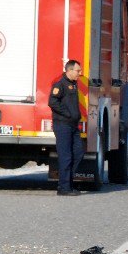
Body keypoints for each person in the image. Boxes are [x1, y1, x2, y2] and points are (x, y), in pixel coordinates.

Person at [49, 60, 84, 196]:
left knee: (79, 152)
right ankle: (63, 188)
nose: (80, 73)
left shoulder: (73, 84)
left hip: (73, 125)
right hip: (63, 125)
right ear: (69, 71)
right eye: (77, 71)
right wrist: (67, 114)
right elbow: (52, 102)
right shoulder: (60, 84)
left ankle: (68, 184)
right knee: (66, 156)